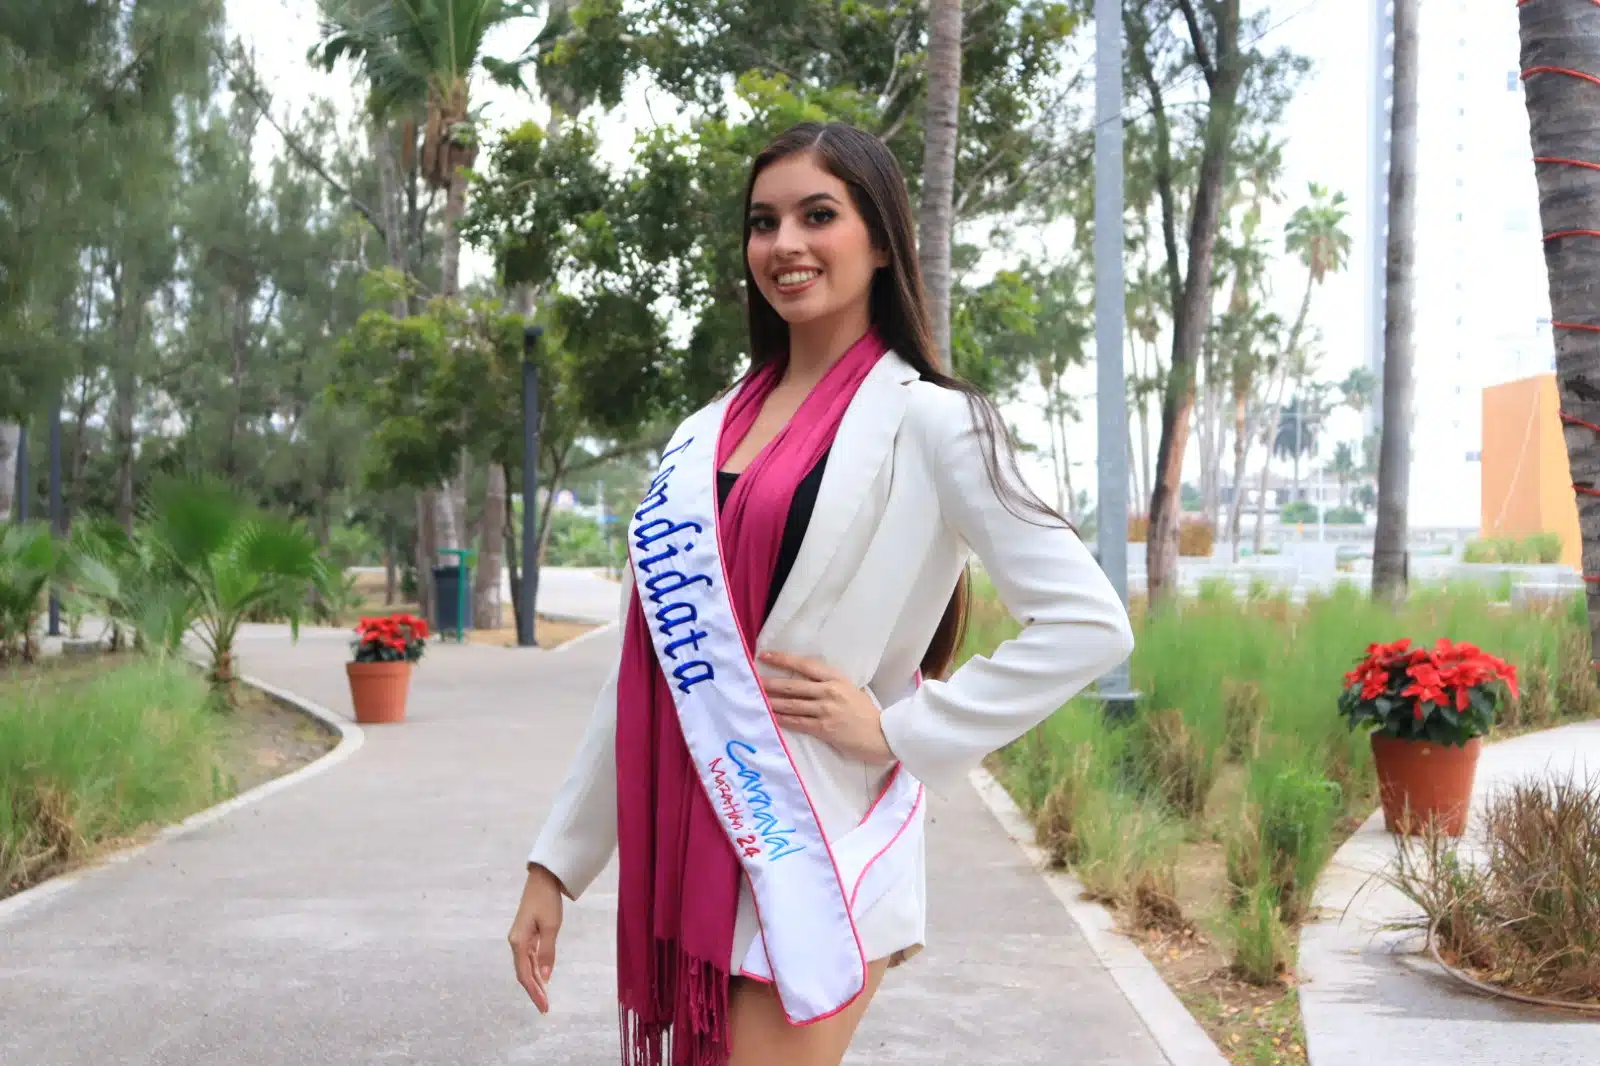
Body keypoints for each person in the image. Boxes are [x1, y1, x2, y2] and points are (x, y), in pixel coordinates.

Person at [507, 120, 1135, 1066]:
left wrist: (900, 733)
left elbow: (1090, 623)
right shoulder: (706, 435)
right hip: (696, 843)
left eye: (818, 215)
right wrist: (555, 864)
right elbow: (654, 669)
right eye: (764, 222)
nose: (786, 244)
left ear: (880, 240)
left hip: (820, 845)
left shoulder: (934, 422)